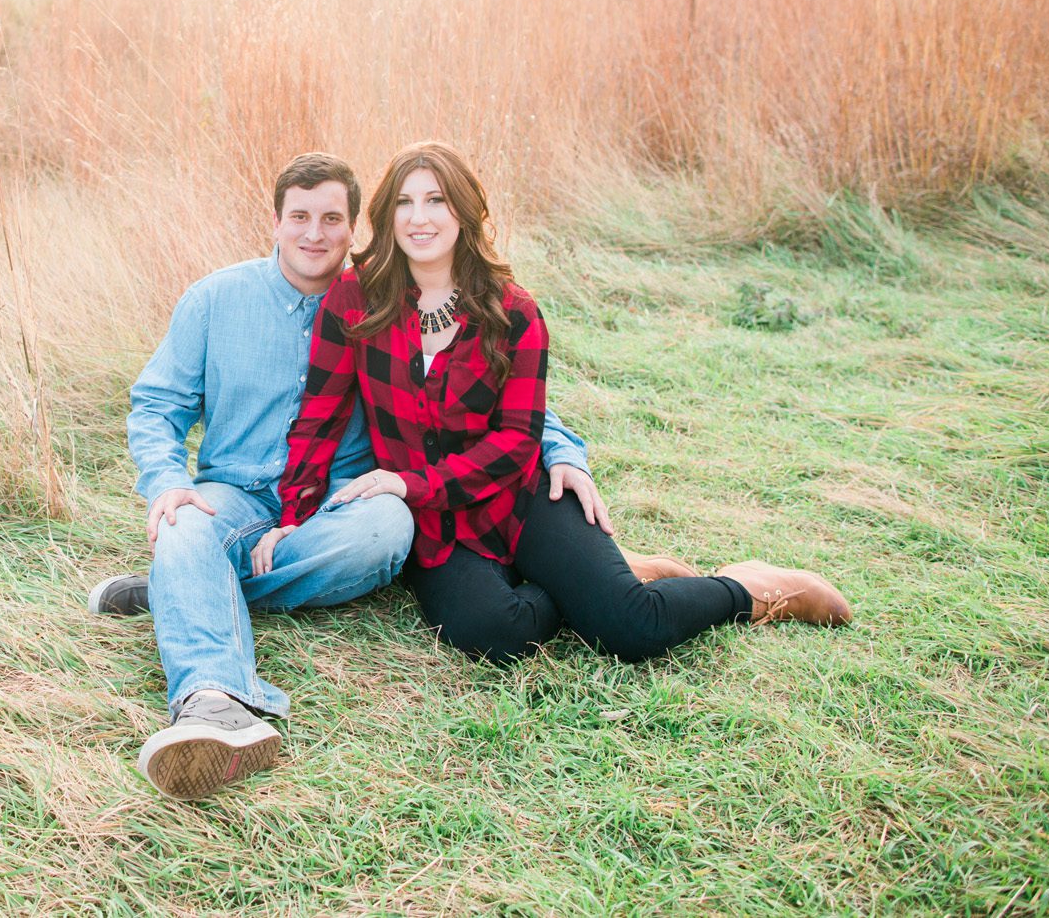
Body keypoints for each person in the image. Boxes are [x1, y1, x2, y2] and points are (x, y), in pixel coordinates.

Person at [90, 153, 690, 801]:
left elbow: (484, 393)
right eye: (299, 217)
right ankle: (214, 703)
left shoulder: (385, 300)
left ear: (353, 230)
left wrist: (563, 449)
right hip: (232, 490)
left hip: (345, 500)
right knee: (184, 521)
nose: (314, 233)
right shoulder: (215, 298)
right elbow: (156, 404)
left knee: (389, 527)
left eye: (331, 219)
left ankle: (186, 587)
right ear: (275, 221)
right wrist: (165, 480)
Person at [269, 141, 852, 675]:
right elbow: (318, 417)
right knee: (492, 631)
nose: (419, 218)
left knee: (632, 627)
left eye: (436, 200)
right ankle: (603, 576)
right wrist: (293, 518)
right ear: (387, 216)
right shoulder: (356, 297)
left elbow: (518, 442)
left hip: (517, 497)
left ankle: (748, 589)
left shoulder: (513, 311)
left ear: (465, 211)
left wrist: (407, 484)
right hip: (435, 525)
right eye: (404, 202)